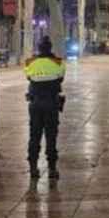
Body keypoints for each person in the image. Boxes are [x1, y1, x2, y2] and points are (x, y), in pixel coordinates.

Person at [25, 36, 66, 179]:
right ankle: (52, 169)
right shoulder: (58, 62)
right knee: (51, 136)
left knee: (34, 135)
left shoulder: (30, 62)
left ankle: (33, 168)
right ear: (51, 47)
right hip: (51, 104)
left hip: (35, 104)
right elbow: (61, 78)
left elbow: (28, 77)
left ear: (38, 48)